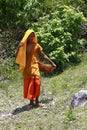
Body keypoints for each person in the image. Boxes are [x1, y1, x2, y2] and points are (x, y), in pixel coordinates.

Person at [16, 29, 56, 110]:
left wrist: (52, 63)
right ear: (26, 37)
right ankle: (31, 103)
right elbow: (17, 55)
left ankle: (37, 101)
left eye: (32, 36)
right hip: (27, 68)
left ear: (34, 37)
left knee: (37, 83)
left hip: (35, 66)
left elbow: (43, 55)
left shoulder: (36, 45)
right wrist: (18, 47)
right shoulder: (23, 46)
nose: (31, 38)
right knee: (30, 85)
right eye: (29, 36)